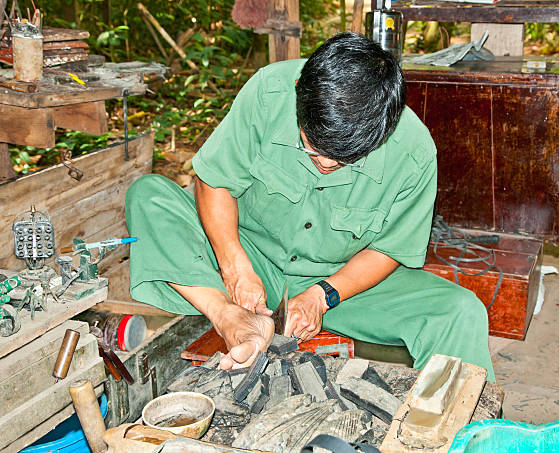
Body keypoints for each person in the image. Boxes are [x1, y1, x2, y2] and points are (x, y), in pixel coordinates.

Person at [125, 32, 495, 379]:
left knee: (459, 313)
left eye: (346, 157)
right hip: (251, 256)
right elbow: (214, 180)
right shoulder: (270, 91)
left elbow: (389, 249)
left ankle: (466, 438)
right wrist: (235, 265)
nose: (328, 164)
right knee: (148, 196)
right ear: (300, 93)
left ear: (385, 127)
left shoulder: (413, 152)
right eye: (314, 148)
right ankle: (227, 315)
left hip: (342, 282)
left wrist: (322, 296)